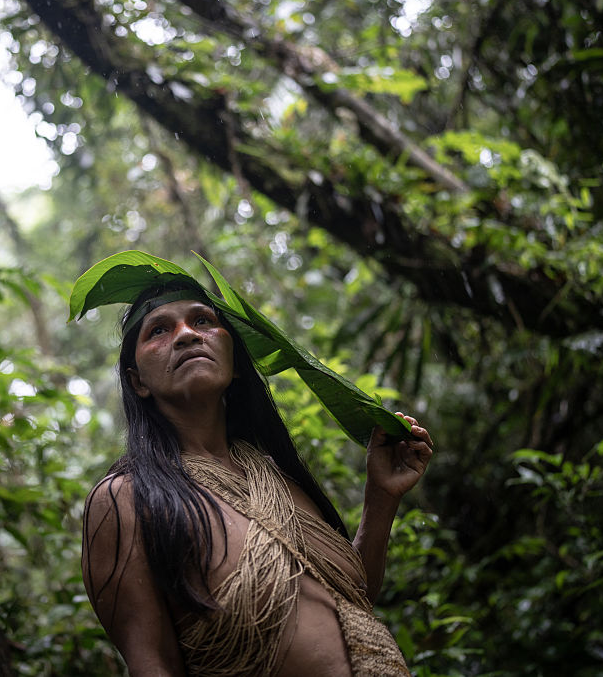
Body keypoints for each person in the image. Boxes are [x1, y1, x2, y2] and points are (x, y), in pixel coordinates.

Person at [81, 281, 434, 676]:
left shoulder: (275, 475)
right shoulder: (125, 500)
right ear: (138, 382)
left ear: (234, 363)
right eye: (159, 330)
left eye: (203, 320)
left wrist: (381, 497)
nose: (186, 335)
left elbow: (352, 599)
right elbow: (153, 664)